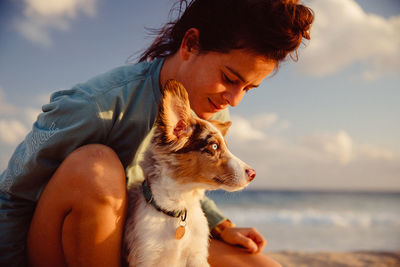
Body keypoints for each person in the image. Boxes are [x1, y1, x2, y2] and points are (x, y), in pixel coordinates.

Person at [0, 0, 313, 266]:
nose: (234, 99)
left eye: (249, 88)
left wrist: (221, 225)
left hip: (146, 238)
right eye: (230, 78)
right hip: (68, 245)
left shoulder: (211, 106)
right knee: (96, 165)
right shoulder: (96, 104)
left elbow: (181, 181)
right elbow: (12, 194)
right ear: (190, 44)